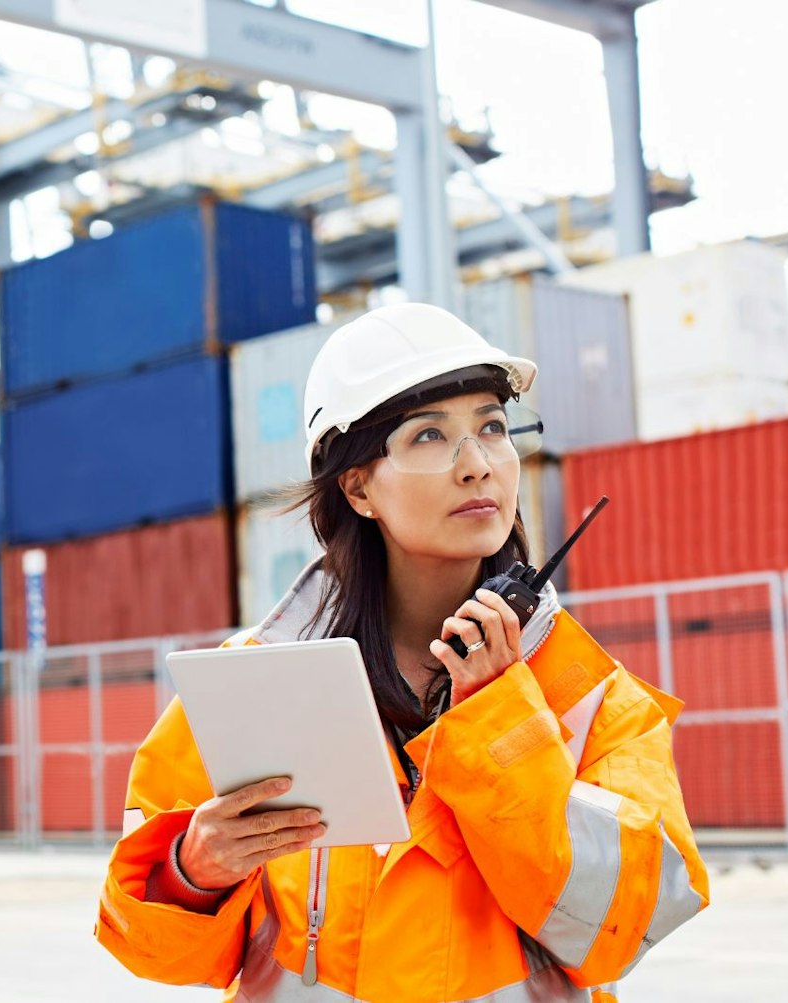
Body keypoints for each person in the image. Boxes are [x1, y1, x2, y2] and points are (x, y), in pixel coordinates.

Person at [95, 304, 708, 1002]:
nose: (478, 465)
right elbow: (147, 940)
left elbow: (628, 927)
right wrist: (192, 868)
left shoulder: (594, 696)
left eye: (492, 427)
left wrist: (501, 719)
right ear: (357, 487)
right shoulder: (254, 679)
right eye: (429, 435)